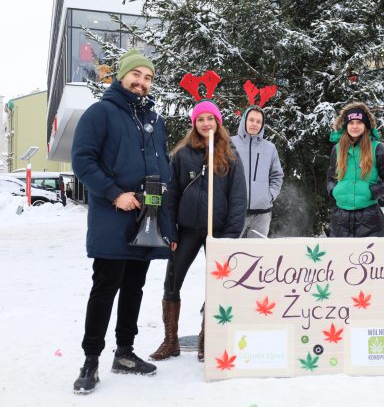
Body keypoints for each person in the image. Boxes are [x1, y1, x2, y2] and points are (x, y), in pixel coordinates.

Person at [71, 49, 171, 394]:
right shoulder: (101, 113)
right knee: (105, 289)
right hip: (113, 218)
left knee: (134, 288)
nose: (142, 82)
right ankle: (91, 360)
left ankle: (125, 352)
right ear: (122, 76)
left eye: (148, 77)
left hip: (147, 219)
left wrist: (164, 223)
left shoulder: (155, 121)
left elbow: (161, 171)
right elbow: (83, 160)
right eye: (137, 75)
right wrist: (115, 194)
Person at [150, 99, 247, 363]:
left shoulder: (229, 155)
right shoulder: (182, 154)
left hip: (218, 233)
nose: (206, 123)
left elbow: (238, 199)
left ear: (218, 122)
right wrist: (170, 232)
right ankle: (171, 341)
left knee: (217, 285)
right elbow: (170, 196)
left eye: (210, 119)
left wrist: (229, 238)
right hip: (187, 230)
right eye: (201, 119)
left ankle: (207, 338)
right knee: (172, 281)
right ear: (195, 124)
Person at [326, 102, 384, 237]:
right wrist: (334, 191)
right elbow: (330, 178)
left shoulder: (377, 148)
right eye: (351, 123)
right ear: (346, 125)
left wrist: (370, 192)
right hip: (340, 218)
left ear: (366, 125)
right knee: (342, 257)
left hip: (369, 218)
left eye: (359, 122)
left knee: (369, 257)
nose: (355, 126)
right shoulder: (337, 149)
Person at [231, 105, 283, 238]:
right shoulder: (230, 144)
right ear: (244, 121)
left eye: (258, 121)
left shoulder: (270, 148)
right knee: (231, 253)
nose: (255, 124)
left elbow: (277, 175)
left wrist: (269, 196)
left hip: (262, 214)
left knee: (257, 255)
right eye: (251, 120)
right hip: (235, 211)